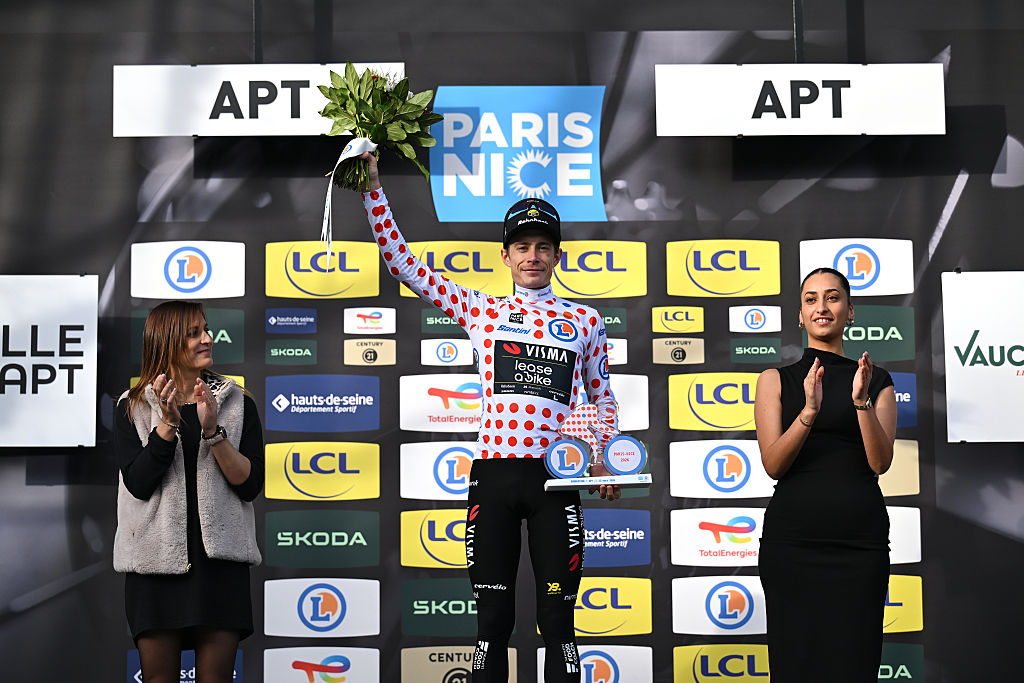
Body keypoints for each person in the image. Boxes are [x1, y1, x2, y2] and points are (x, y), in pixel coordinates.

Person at [355, 152, 620, 683]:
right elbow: (405, 264)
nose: (533, 256)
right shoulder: (483, 310)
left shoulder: (585, 319)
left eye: (544, 247)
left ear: (557, 256)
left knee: (558, 622)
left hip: (555, 478)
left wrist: (601, 456)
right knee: (492, 622)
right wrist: (372, 187)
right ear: (505, 255)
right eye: (522, 246)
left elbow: (601, 397)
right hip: (494, 475)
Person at [753, 267, 897, 682]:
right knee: (795, 661)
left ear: (850, 311)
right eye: (812, 299)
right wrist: (809, 411)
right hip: (794, 543)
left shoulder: (875, 380)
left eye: (833, 298)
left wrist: (860, 402)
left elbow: (879, 463)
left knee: (855, 660)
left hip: (860, 543)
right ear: (800, 315)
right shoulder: (775, 380)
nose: (822, 306)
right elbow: (773, 464)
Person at [113, 301, 264, 683]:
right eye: (194, 332)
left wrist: (214, 431)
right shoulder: (131, 408)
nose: (208, 338)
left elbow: (249, 485)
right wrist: (166, 426)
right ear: (166, 342)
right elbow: (138, 483)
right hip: (155, 573)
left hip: (220, 571)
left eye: (206, 329)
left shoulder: (237, 402)